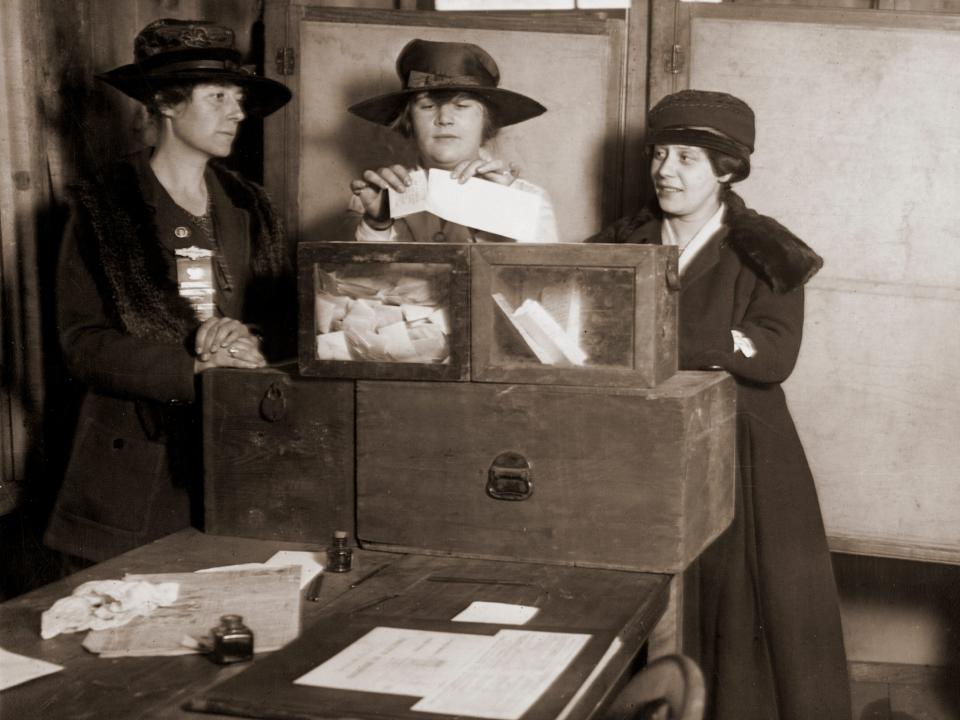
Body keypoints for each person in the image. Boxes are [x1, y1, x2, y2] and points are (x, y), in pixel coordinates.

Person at [589, 90, 851, 720]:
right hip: (642, 441)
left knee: (742, 603)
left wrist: (656, 336)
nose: (664, 171)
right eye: (659, 154)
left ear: (726, 170)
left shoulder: (768, 249)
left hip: (743, 451)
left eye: (686, 158)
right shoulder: (623, 240)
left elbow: (772, 356)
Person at [44, 19, 295, 564]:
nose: (237, 111)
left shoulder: (250, 204)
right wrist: (193, 368)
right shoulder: (104, 206)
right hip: (136, 470)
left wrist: (245, 344)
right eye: (218, 96)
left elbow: (279, 323)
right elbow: (80, 342)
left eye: (239, 97)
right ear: (165, 103)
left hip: (238, 457)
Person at [346, 39, 559, 243]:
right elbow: (351, 280)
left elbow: (538, 278)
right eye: (428, 106)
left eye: (462, 106)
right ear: (408, 120)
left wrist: (498, 211)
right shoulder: (373, 199)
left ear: (487, 122)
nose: (444, 119)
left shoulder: (527, 200)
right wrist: (377, 224)